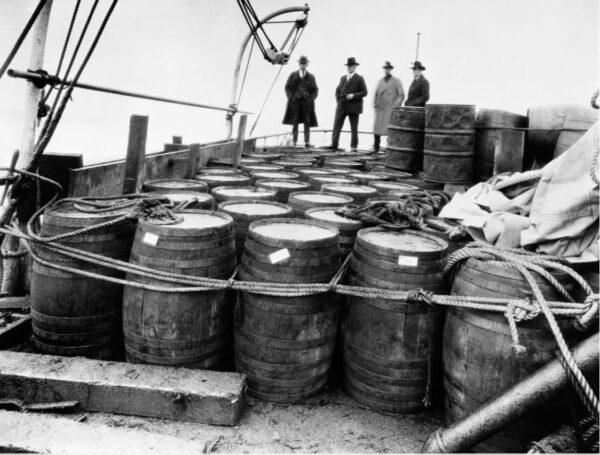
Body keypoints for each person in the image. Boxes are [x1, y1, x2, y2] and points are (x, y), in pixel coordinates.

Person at [326, 57, 368, 151]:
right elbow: (337, 91)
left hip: (354, 106)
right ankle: (334, 143)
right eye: (348, 66)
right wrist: (339, 101)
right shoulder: (343, 78)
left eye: (351, 66)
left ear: (355, 67)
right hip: (342, 105)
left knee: (354, 128)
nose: (349, 68)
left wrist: (353, 95)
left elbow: (365, 92)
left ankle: (354, 147)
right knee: (337, 125)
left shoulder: (359, 78)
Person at [282, 55, 319, 148]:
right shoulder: (293, 75)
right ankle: (294, 141)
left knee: (307, 121)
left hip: (307, 102)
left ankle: (307, 141)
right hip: (295, 102)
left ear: (307, 64)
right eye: (301, 63)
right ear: (299, 64)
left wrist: (311, 99)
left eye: (304, 63)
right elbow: (287, 87)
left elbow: (315, 89)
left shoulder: (311, 77)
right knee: (295, 121)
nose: (302, 65)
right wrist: (291, 97)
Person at [372, 61, 405, 152]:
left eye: (388, 68)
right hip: (380, 109)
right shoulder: (380, 81)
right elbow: (376, 94)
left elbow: (401, 95)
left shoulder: (396, 81)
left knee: (390, 130)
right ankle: (376, 148)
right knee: (377, 130)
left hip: (390, 109)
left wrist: (395, 106)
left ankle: (390, 148)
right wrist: (375, 104)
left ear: (391, 69)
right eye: (385, 68)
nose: (387, 70)